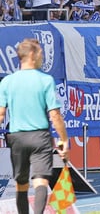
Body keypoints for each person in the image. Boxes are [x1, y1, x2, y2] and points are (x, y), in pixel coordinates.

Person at [0, 38, 68, 214]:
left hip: (17, 138)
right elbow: (55, 114)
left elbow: (0, 114)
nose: (42, 57)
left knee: (21, 184)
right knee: (40, 181)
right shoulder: (45, 80)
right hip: (40, 137)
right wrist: (64, 140)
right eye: (40, 53)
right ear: (31, 54)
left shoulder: (7, 82)